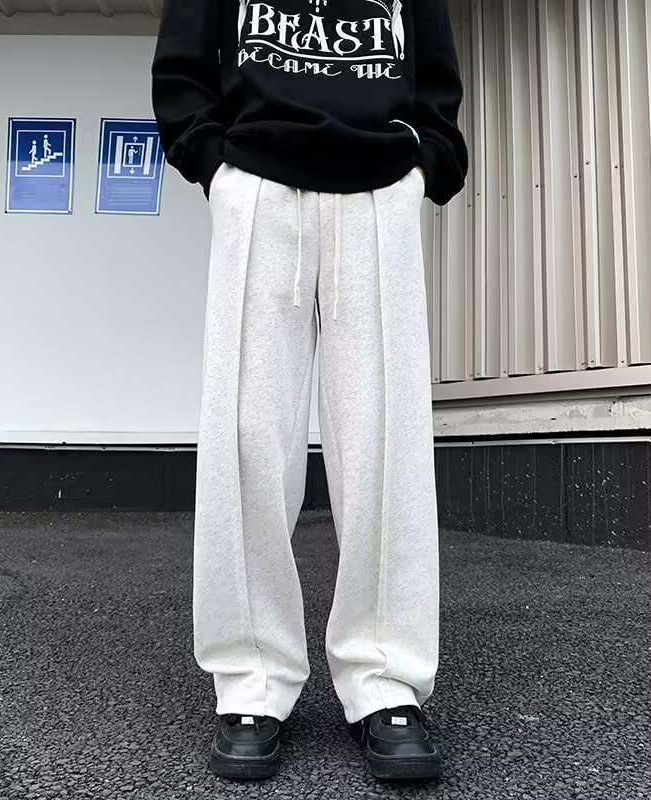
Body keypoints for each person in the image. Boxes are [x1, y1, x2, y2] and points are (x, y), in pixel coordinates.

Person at [152, 0, 467, 782]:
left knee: (386, 441)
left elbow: (435, 74)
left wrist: (427, 163)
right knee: (246, 438)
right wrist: (214, 166)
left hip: (381, 187)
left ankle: (386, 679)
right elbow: (183, 66)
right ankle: (251, 679)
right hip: (257, 182)